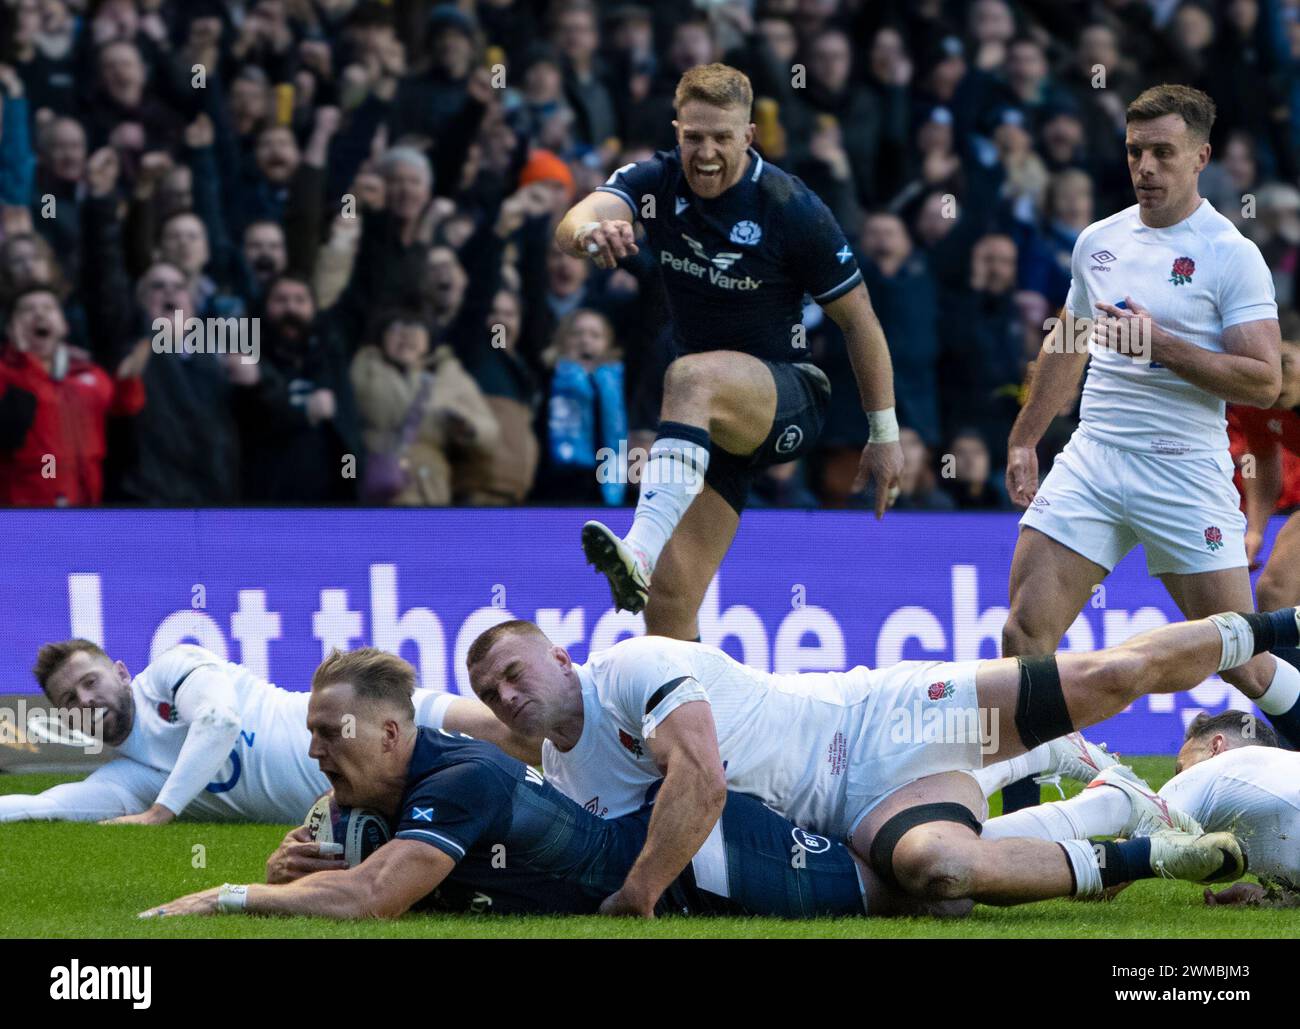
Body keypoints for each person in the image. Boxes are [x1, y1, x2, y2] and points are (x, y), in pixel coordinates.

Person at [461, 606, 1292, 915]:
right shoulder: (565, 776)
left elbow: (703, 782)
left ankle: (1282, 626)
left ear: (562, 657)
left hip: (881, 717)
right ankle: (1151, 852)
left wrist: (635, 895)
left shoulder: (632, 666)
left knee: (1109, 674)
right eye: (489, 689)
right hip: (854, 813)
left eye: (512, 671)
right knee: (941, 876)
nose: (504, 693)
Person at [139, 647, 957, 921]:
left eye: (328, 733)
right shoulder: (398, 791)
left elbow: (373, 900)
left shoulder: (460, 780)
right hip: (681, 868)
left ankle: (1076, 822)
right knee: (932, 882)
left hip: (709, 863)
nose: (316, 751)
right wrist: (311, 867)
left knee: (924, 890)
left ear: (391, 735)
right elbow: (377, 877)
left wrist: (233, 895)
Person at [1002, 84, 1300, 829]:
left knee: (1241, 657)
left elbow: (1263, 378)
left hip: (1183, 468)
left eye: (1164, 153)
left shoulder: (1233, 257)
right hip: (1097, 456)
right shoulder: (1098, 240)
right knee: (1023, 632)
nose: (1146, 167)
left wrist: (1160, 343)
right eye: (1136, 151)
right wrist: (1026, 435)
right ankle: (1012, 820)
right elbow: (1069, 339)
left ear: (1201, 157)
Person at [554, 62, 902, 637]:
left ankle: (636, 548)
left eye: (722, 137)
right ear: (676, 132)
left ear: (749, 135)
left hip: (787, 396)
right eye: (694, 137)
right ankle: (694, 725)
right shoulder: (656, 184)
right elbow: (578, 217)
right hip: (705, 428)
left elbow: (860, 324)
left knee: (689, 376)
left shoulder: (793, 208)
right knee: (667, 610)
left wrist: (884, 435)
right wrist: (591, 233)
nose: (706, 153)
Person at [0, 639, 471, 825]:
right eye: (69, 701)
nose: (85, 700)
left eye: (90, 682)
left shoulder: (172, 668)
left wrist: (162, 813)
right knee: (488, 795)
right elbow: (48, 806)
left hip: (375, 718)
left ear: (121, 673)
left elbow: (219, 721)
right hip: (359, 798)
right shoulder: (130, 778)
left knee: (508, 733)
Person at [980, 713, 1298, 905]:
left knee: (1125, 802)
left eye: (1179, 769)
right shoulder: (1273, 775)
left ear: (1215, 747)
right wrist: (1265, 897)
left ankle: (974, 841)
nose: (1177, 780)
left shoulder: (1214, 771)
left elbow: (1103, 879)